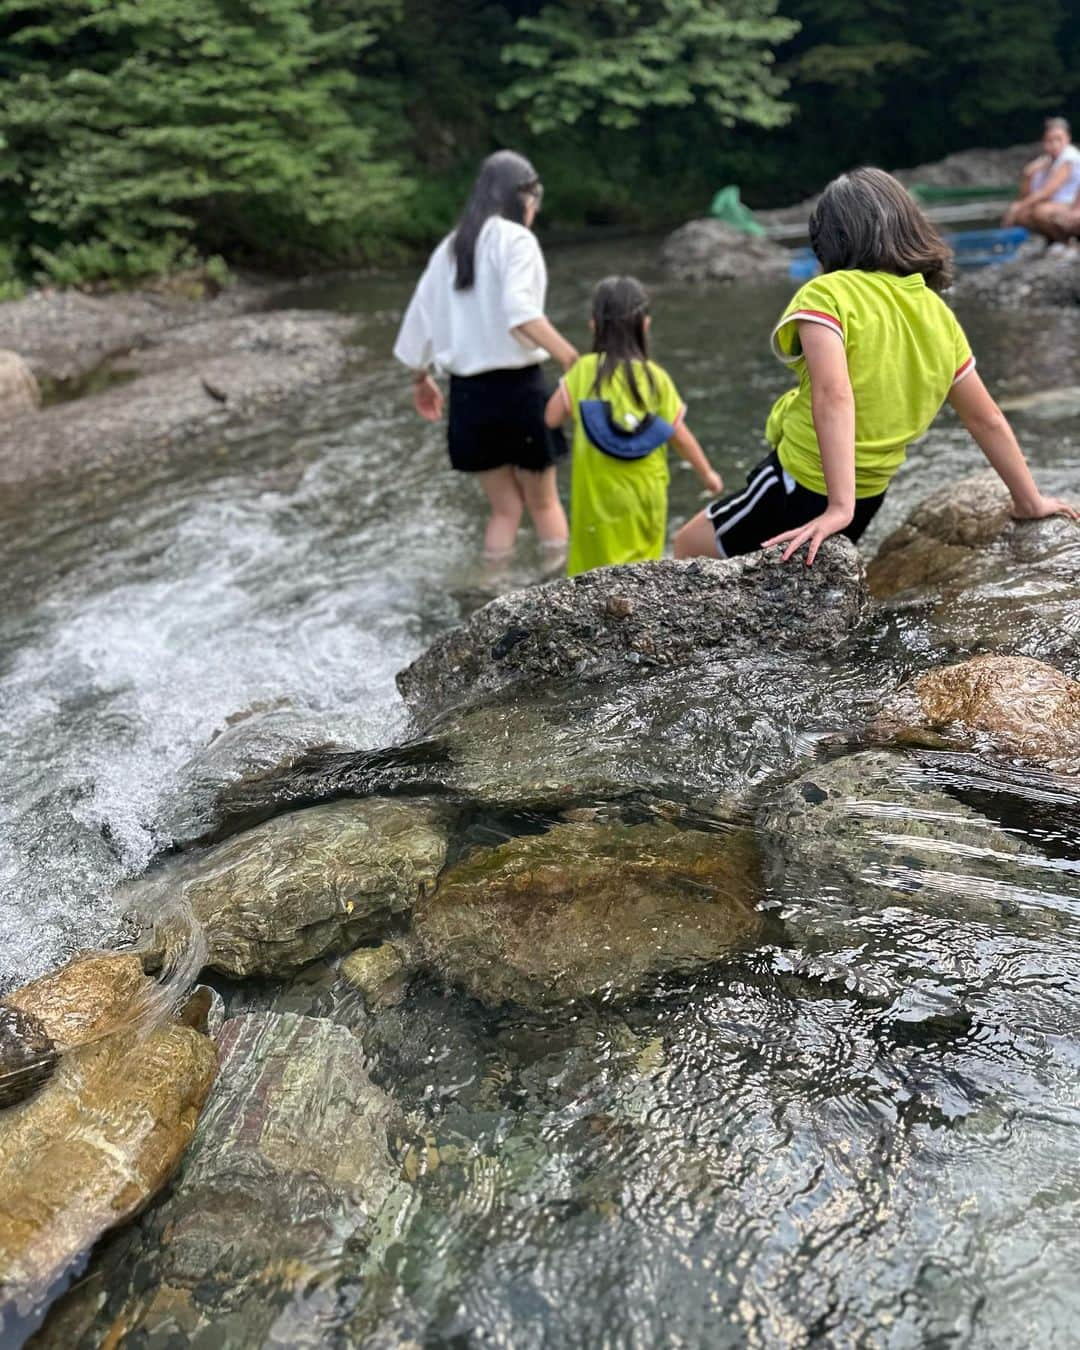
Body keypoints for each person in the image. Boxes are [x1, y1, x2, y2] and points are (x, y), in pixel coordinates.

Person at [674, 167, 1077, 567]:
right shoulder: (935, 311)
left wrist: (837, 506)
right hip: (869, 494)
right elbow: (985, 417)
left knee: (687, 545)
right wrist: (1030, 500)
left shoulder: (826, 294)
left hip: (801, 481)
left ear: (831, 240)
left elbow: (835, 394)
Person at [394, 150, 578, 560]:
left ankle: (491, 592)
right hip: (519, 392)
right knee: (544, 504)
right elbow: (521, 314)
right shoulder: (517, 240)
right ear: (523, 196)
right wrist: (571, 358)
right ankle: (562, 595)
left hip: (468, 398)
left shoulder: (450, 247)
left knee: (503, 510)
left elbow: (418, 322)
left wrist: (419, 379)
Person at [544, 276, 723, 576]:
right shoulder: (656, 378)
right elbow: (679, 434)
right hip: (645, 491)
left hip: (597, 494)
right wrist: (707, 474)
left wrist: (572, 378)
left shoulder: (584, 371)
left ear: (594, 325)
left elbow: (551, 418)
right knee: (643, 569)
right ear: (644, 325)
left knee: (592, 573)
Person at [1003, 117, 1080, 238]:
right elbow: (1025, 195)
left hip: (1071, 204)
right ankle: (1051, 240)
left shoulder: (1069, 157)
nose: (1054, 145)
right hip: (1055, 204)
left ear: (1068, 138)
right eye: (1050, 141)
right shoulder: (1046, 161)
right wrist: (1028, 174)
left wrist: (1018, 206)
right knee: (1022, 215)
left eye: (1059, 139)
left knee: (1040, 211)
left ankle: (1065, 242)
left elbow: (1047, 192)